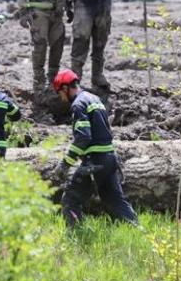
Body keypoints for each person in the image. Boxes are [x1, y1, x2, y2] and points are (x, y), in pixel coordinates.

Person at [52, 69, 137, 226]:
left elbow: (83, 137)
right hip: (110, 158)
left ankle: (77, 236)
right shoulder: (95, 99)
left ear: (65, 88)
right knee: (115, 200)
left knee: (70, 199)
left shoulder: (78, 105)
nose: (62, 99)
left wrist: (65, 164)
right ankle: (137, 232)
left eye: (60, 93)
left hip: (94, 162)